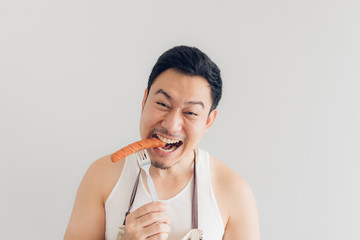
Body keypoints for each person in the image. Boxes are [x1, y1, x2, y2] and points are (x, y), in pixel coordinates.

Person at [64, 46, 261, 240]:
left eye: (190, 113)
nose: (171, 125)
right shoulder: (102, 175)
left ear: (208, 121)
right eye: (163, 104)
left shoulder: (234, 192)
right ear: (144, 100)